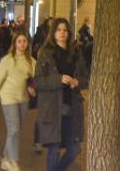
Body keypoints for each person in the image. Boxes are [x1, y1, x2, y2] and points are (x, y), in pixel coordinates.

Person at [35, 18, 88, 171]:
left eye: (65, 30)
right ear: (53, 33)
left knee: (74, 149)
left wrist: (77, 82)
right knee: (54, 149)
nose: (62, 33)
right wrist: (59, 79)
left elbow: (86, 77)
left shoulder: (76, 52)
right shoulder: (45, 53)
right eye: (59, 30)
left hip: (72, 107)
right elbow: (38, 81)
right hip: (53, 107)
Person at [0, 32, 37, 171]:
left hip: (23, 99)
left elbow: (34, 80)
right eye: (19, 41)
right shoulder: (7, 60)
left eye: (24, 41)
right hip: (8, 98)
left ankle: (6, 159)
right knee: (14, 129)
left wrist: (32, 88)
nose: (22, 44)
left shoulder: (32, 61)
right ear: (14, 43)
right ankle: (14, 162)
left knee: (16, 130)